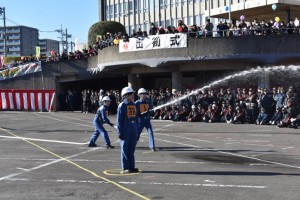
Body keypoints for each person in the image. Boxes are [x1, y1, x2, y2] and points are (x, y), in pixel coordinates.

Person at [117, 87, 139, 174]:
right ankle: (125, 167)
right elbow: (119, 120)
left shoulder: (133, 104)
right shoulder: (122, 105)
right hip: (126, 128)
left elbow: (136, 117)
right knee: (125, 148)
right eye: (131, 94)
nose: (133, 95)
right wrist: (120, 132)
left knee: (132, 148)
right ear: (126, 95)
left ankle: (131, 166)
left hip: (133, 127)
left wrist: (136, 129)